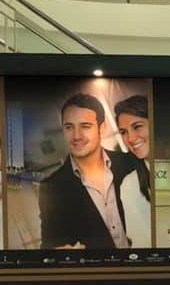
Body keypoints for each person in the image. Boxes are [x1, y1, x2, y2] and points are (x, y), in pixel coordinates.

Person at [38, 93, 133, 249]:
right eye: (69, 127)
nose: (76, 136)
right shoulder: (52, 187)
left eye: (85, 126)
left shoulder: (129, 163)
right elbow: (50, 243)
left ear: (102, 128)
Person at [114, 94, 152, 247]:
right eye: (123, 132)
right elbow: (140, 243)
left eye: (137, 127)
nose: (130, 138)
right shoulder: (130, 186)